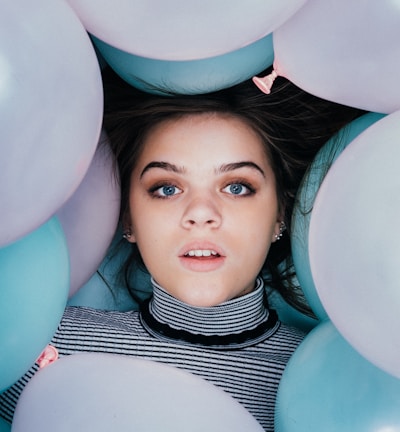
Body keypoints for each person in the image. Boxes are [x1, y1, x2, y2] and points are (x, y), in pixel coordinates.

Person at [0, 68, 364, 430]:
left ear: (278, 217)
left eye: (237, 187)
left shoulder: (340, 384)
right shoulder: (34, 346)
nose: (201, 214)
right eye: (167, 188)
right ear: (128, 218)